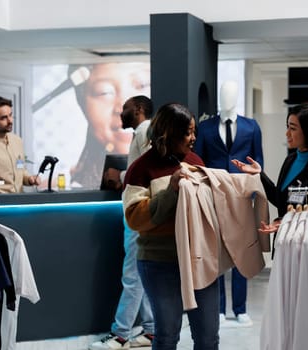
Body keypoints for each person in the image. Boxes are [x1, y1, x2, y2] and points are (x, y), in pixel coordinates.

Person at [122, 103, 219, 350]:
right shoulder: (140, 169)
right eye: (188, 132)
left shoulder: (196, 161)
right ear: (169, 133)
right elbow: (134, 218)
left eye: (194, 131)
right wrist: (171, 191)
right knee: (166, 335)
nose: (193, 138)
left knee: (208, 337)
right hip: (159, 261)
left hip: (199, 259)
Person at [194, 80, 263, 326]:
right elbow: (199, 163)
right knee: (217, 253)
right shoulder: (205, 128)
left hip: (242, 197)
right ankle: (220, 308)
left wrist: (253, 194)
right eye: (223, 94)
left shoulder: (251, 127)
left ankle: (241, 308)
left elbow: (258, 162)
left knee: (241, 252)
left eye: (231, 94)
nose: (227, 98)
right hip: (214, 196)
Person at [89, 95, 155, 350]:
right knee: (140, 274)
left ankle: (121, 334)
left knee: (132, 275)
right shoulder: (143, 132)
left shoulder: (145, 131)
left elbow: (151, 169)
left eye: (125, 108)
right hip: (138, 211)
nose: (121, 113)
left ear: (138, 109)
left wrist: (121, 175)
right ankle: (151, 330)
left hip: (138, 212)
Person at [231, 103, 308, 235]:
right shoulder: (290, 159)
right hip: (284, 240)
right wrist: (259, 174)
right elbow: (280, 200)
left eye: (293, 128)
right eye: (287, 127)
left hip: (306, 246)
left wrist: (286, 221)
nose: (287, 133)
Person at [69, 62, 151, 189]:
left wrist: (120, 176)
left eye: (142, 85)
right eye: (104, 92)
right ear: (83, 103)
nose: (123, 108)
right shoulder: (77, 183)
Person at [0, 95, 41, 193]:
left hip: (20, 203)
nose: (10, 121)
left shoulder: (17, 141)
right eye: (3, 118)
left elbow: (20, 169)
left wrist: (29, 178)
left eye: (10, 115)